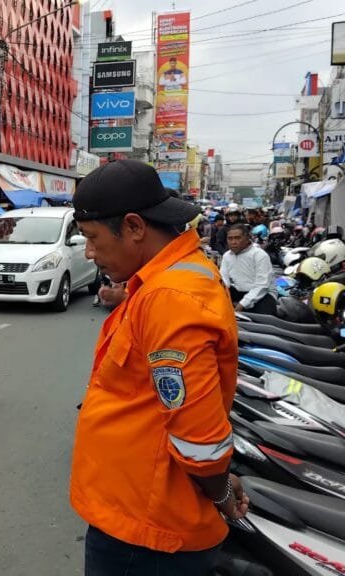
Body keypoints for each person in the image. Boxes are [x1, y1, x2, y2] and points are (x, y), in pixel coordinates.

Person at [71, 160, 247, 576]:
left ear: (134, 227)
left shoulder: (171, 297)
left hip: (146, 534)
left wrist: (220, 491)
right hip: (136, 514)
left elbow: (200, 441)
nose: (89, 253)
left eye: (93, 238)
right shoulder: (162, 281)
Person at [220, 223, 278, 315]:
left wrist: (242, 304)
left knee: (264, 320)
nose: (233, 242)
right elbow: (224, 281)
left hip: (263, 295)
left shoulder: (259, 255)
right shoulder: (227, 256)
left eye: (237, 238)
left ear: (247, 238)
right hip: (240, 292)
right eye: (230, 239)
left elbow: (262, 285)